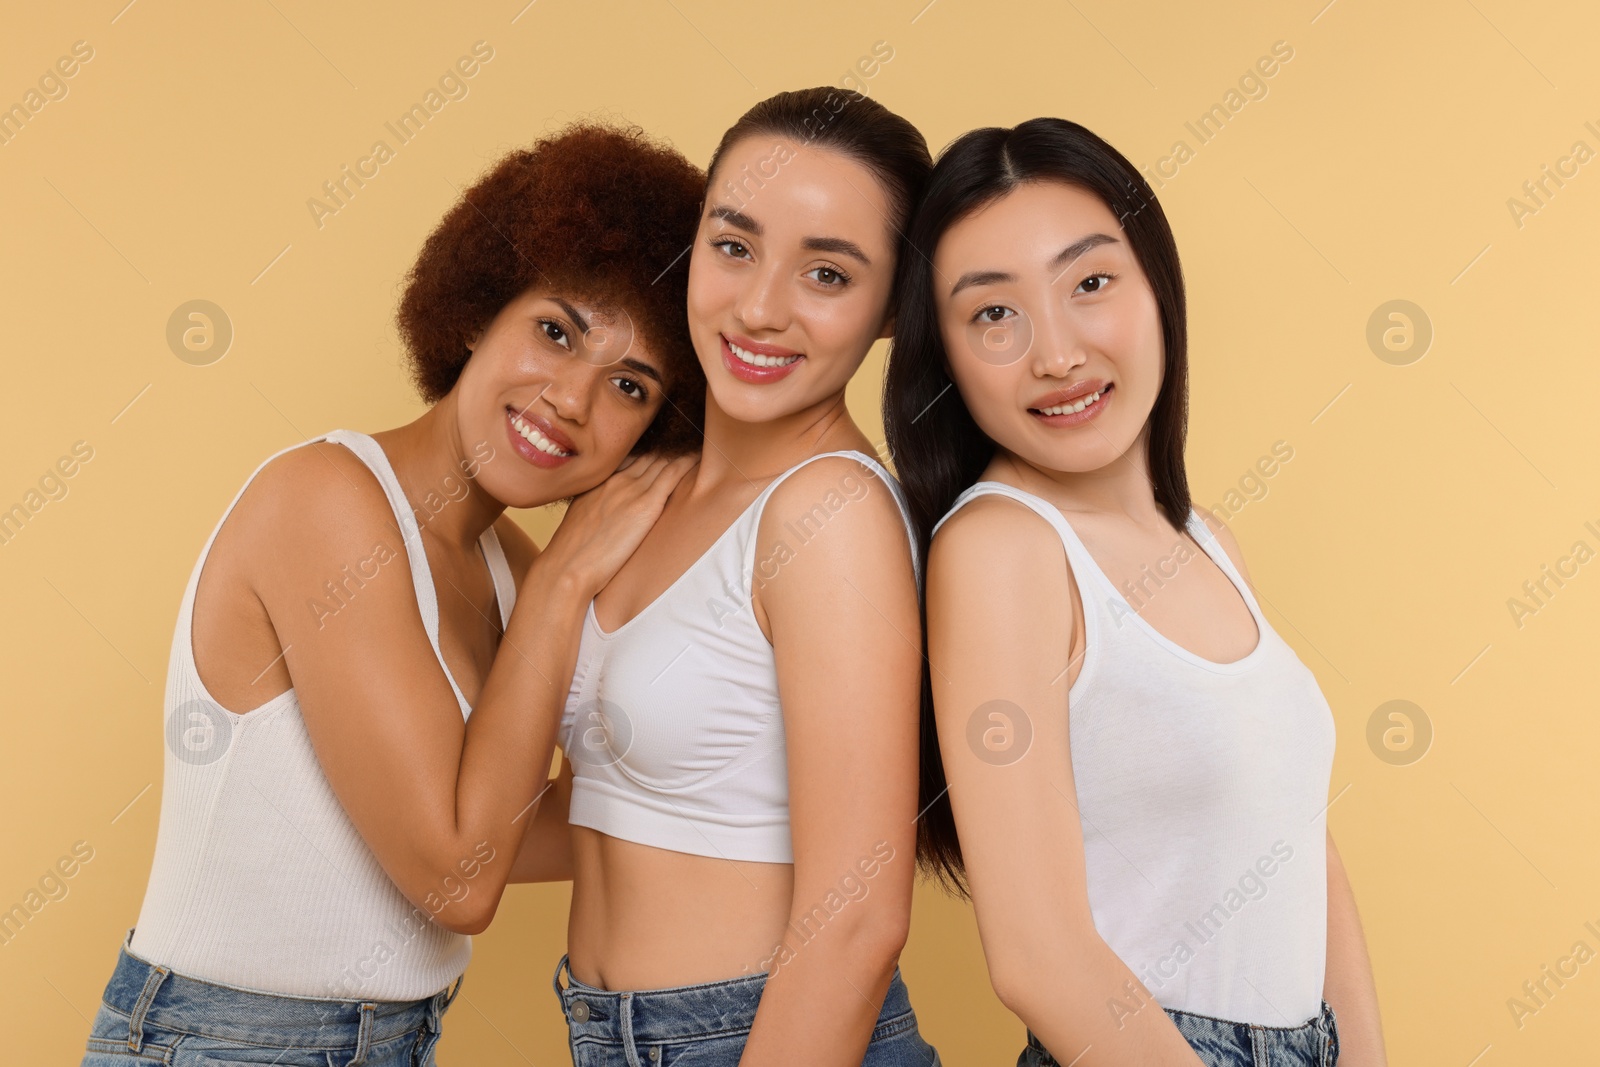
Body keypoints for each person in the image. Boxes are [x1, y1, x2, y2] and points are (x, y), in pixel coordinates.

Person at [80, 122, 705, 1067]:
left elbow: (509, 836)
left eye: (628, 384)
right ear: (474, 313)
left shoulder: (510, 567)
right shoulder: (326, 501)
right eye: (555, 331)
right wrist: (570, 581)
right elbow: (457, 883)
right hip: (222, 1041)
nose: (573, 399)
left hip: (391, 1040)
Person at [883, 117, 1387, 1066]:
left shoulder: (1205, 540)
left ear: (1158, 287)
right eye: (994, 313)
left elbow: (1301, 849)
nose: (1058, 354)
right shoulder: (1001, 550)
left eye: (1090, 283)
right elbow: (1039, 956)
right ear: (942, 356)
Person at [546, 87, 941, 1065]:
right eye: (734, 245)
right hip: (620, 1034)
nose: (760, 306)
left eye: (826, 272)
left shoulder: (828, 514)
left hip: (757, 1037)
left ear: (893, 307)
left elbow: (855, 918)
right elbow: (601, 800)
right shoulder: (641, 497)